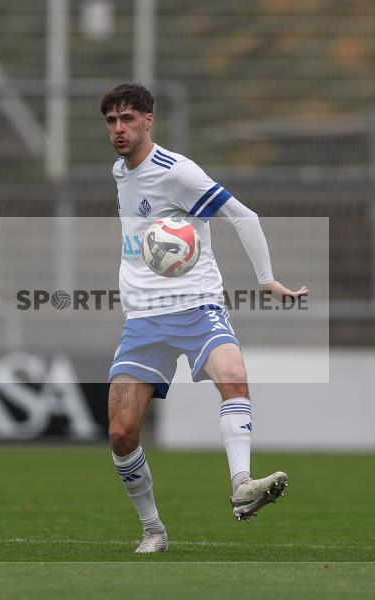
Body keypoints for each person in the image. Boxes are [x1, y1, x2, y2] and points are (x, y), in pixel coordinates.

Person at [102, 83, 308, 554]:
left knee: (234, 375)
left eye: (128, 118)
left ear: (148, 120)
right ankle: (153, 529)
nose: (119, 128)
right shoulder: (120, 170)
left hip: (197, 307)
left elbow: (243, 216)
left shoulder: (178, 173)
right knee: (119, 432)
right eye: (112, 120)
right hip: (143, 319)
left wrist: (267, 279)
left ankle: (241, 485)